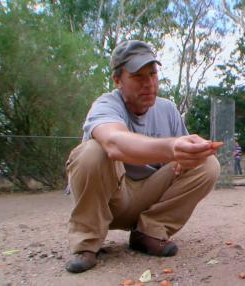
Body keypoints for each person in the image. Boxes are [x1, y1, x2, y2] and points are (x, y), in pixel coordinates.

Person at [64, 40, 220, 274]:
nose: (149, 83)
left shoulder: (167, 109)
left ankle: (149, 231)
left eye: (153, 74)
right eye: (138, 76)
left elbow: (182, 155)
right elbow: (115, 143)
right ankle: (86, 243)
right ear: (117, 80)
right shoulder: (106, 104)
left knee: (207, 164)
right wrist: (171, 148)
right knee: (92, 152)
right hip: (110, 198)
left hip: (149, 194)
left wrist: (190, 153)